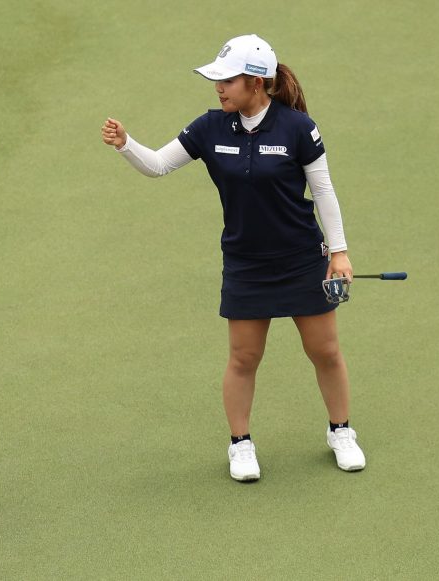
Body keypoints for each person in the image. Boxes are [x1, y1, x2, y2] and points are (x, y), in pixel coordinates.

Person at [101, 34, 366, 482]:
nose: (219, 88)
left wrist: (338, 252)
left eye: (227, 80)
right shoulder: (209, 128)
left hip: (302, 258)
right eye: (217, 81)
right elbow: (159, 165)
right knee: (244, 358)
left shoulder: (298, 128)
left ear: (257, 82)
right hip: (246, 263)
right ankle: (240, 445)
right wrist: (127, 143)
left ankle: (341, 431)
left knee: (324, 351)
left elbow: (323, 191)